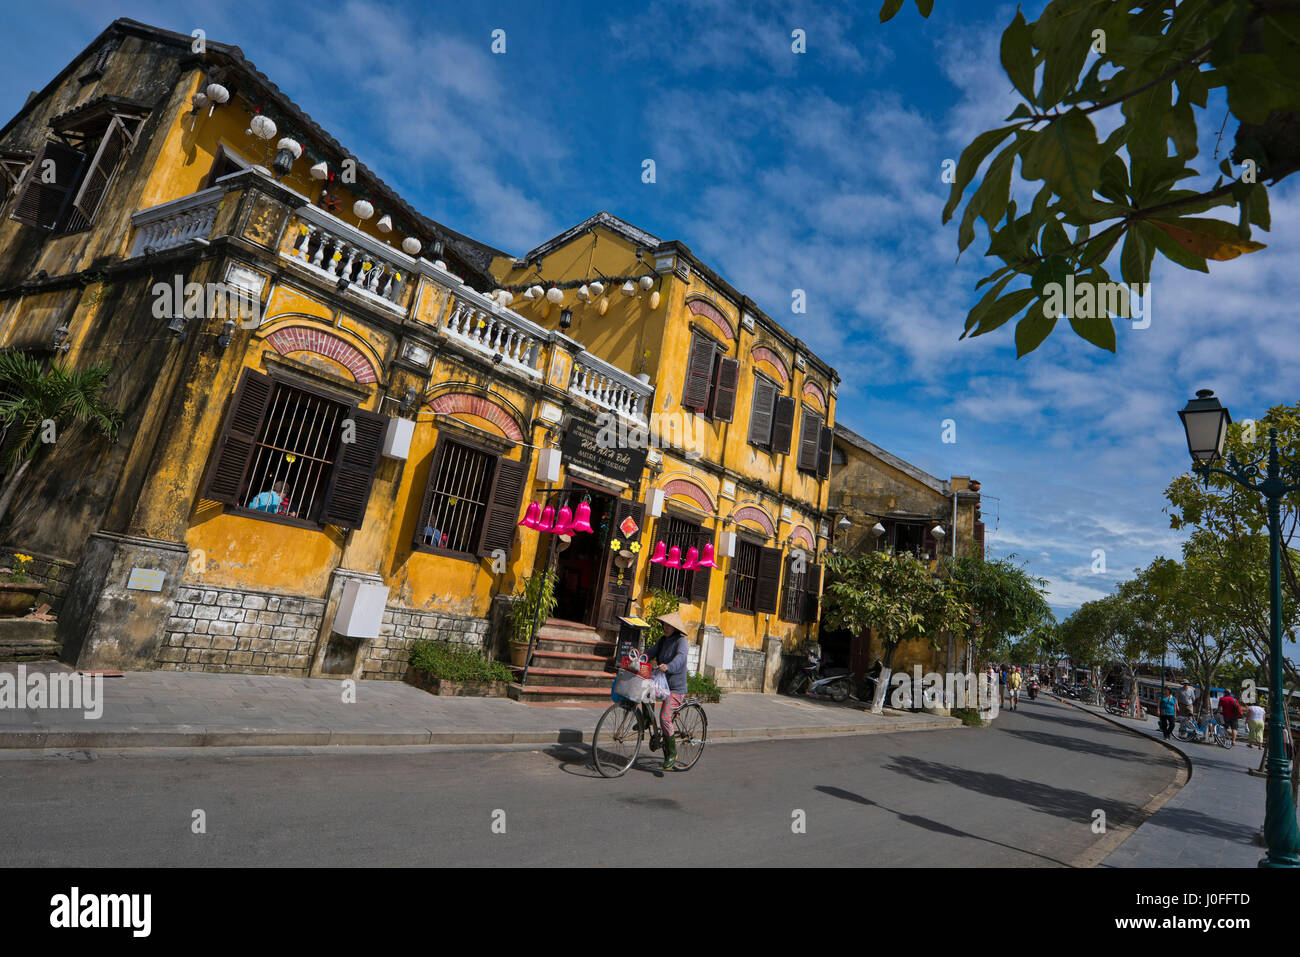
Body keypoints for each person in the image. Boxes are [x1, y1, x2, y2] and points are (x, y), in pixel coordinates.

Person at [648, 610, 690, 771]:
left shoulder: (681, 642)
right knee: (644, 691)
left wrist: (668, 666)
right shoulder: (662, 640)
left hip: (676, 689)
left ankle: (672, 753)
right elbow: (651, 651)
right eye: (664, 624)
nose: (665, 627)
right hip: (662, 684)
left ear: (675, 628)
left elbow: (680, 659)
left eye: (669, 625)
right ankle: (646, 719)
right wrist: (641, 658)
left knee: (665, 717)